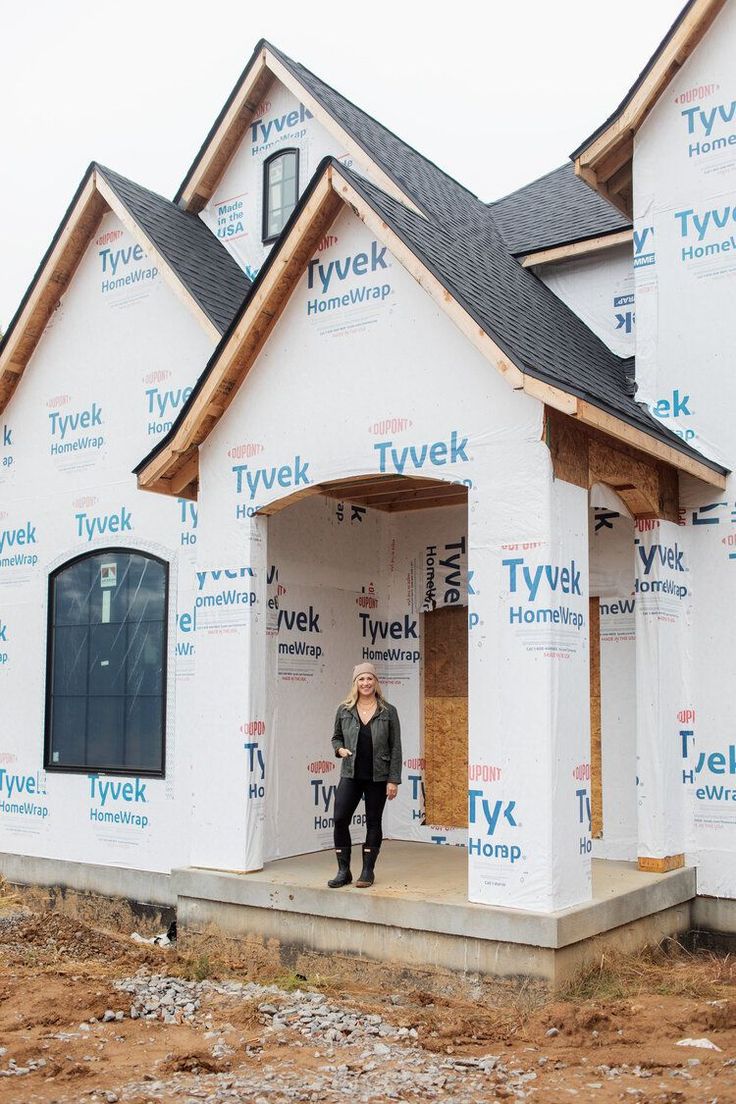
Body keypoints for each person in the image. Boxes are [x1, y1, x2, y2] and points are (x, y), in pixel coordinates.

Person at [328, 662, 402, 889]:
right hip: (351, 773)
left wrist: (393, 779)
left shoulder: (388, 711)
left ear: (375, 682)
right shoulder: (344, 709)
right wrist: (339, 749)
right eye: (361, 679)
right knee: (340, 818)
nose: (365, 683)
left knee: (373, 822)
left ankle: (367, 870)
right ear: (355, 683)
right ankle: (343, 871)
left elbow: (396, 747)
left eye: (369, 679)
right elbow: (336, 738)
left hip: (377, 776)